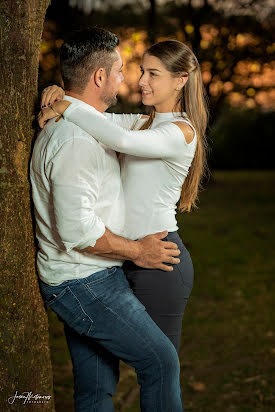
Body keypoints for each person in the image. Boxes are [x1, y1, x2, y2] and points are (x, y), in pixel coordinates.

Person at [31, 27, 184, 412]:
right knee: (161, 363)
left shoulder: (94, 125)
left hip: (94, 274)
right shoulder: (74, 142)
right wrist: (139, 252)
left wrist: (61, 97)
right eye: (119, 69)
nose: (126, 78)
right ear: (99, 77)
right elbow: (78, 231)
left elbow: (143, 130)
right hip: (83, 282)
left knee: (96, 387)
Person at [40, 38, 209, 354]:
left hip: (160, 259)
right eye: (142, 71)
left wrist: (65, 105)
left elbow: (118, 139)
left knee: (161, 366)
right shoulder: (143, 122)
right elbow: (95, 118)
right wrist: (62, 93)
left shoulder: (182, 131)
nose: (141, 81)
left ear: (181, 80)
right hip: (126, 257)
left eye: (153, 74)